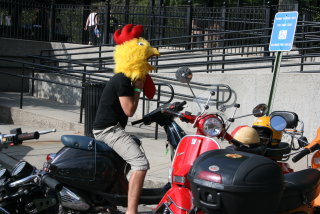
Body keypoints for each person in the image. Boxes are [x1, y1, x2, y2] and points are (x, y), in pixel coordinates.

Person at [92, 75, 149, 214]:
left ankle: (117, 199)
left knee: (123, 165)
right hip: (108, 130)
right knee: (140, 164)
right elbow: (129, 110)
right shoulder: (122, 80)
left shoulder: (123, 79)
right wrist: (137, 88)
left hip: (112, 128)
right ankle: (131, 211)